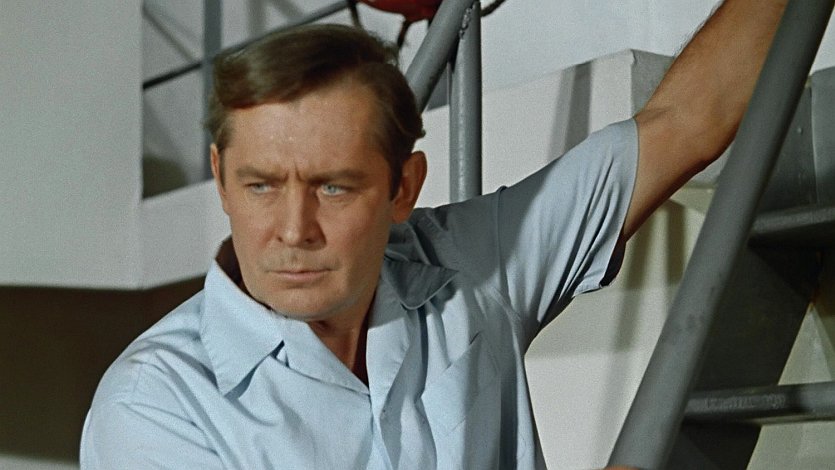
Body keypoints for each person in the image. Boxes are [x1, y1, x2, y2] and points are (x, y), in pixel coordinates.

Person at [81, 1, 792, 468]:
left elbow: (688, 119)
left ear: (403, 187)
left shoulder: (469, 263)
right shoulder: (154, 404)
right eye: (260, 185)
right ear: (220, 176)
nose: (293, 231)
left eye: (334, 187)